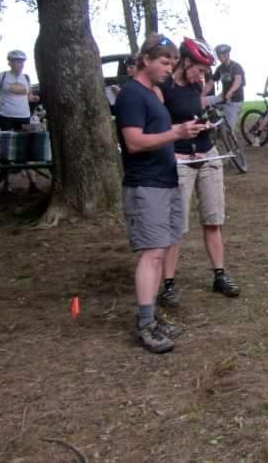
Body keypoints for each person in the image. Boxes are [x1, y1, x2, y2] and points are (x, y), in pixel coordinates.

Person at [112, 34, 208, 354]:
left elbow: (161, 138)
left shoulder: (155, 93)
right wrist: (177, 132)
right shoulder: (131, 95)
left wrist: (183, 147)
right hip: (146, 184)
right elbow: (134, 142)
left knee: (163, 248)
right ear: (145, 60)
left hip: (166, 180)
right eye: (163, 62)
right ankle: (144, 324)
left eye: (172, 63)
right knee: (152, 254)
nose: (169, 68)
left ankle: (152, 316)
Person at [157, 37, 241, 310]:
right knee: (176, 227)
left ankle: (219, 274)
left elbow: (197, 110)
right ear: (185, 61)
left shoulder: (196, 85)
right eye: (200, 69)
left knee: (213, 220)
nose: (202, 75)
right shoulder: (164, 86)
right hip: (179, 160)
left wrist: (206, 125)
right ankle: (168, 285)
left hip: (207, 154)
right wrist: (176, 142)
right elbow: (158, 126)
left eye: (206, 71)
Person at [0, 50, 42, 193]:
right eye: (16, 61)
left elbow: (29, 96)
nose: (20, 64)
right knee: (7, 149)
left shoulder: (26, 78)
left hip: (24, 116)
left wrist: (34, 99)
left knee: (27, 147)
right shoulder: (1, 76)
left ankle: (33, 184)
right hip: (5, 116)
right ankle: (6, 183)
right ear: (10, 62)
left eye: (22, 61)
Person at [213, 44, 246, 131]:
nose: (220, 58)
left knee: (228, 130)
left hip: (235, 100)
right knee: (205, 101)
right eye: (219, 56)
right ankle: (215, 124)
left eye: (222, 55)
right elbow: (211, 82)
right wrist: (202, 95)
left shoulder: (236, 66)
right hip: (223, 97)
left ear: (227, 54)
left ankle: (229, 137)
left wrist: (231, 91)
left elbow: (238, 81)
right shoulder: (220, 68)